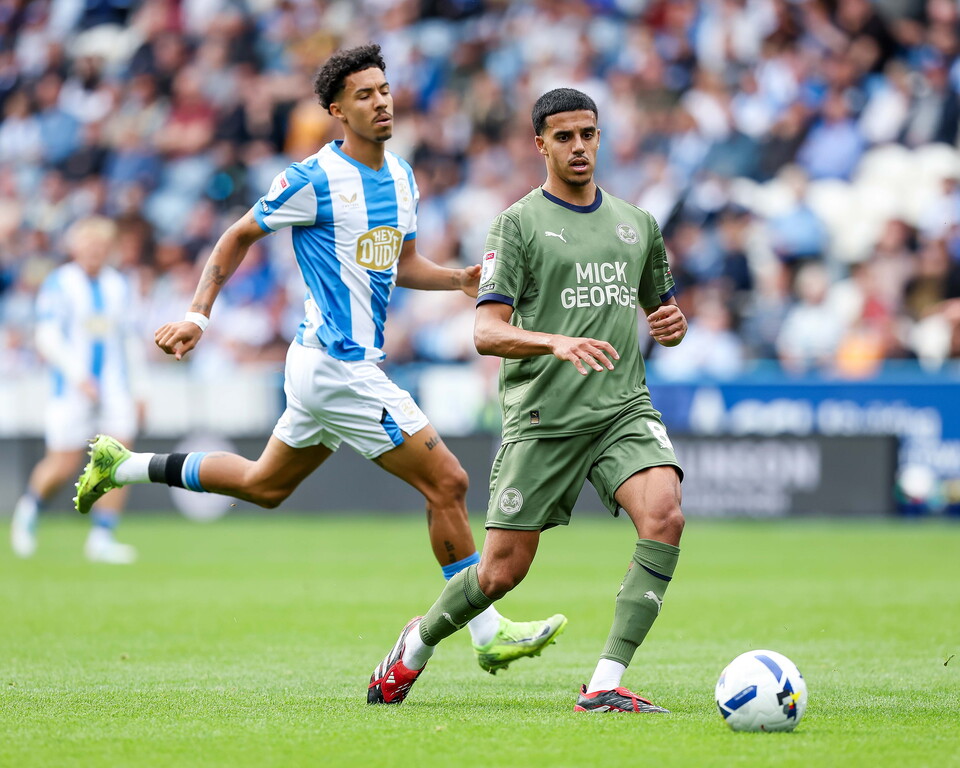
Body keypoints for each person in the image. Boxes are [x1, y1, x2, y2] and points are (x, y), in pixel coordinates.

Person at [73, 44, 566, 672]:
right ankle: (485, 629)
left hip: (322, 367)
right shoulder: (312, 179)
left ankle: (125, 467)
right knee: (449, 481)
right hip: (339, 364)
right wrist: (199, 313)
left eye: (384, 90)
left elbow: (401, 261)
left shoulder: (404, 176)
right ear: (337, 110)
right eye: (364, 95)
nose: (381, 102)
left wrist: (458, 281)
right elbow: (238, 235)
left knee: (264, 484)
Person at [368, 88, 688, 712]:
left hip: (622, 410)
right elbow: (486, 331)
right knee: (499, 574)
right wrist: (553, 342)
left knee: (666, 515)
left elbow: (661, 309)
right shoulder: (517, 224)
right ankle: (417, 643)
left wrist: (673, 324)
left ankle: (603, 685)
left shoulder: (638, 224)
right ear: (540, 144)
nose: (578, 147)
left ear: (600, 137)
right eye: (563, 137)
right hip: (543, 420)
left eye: (588, 134)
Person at [11, 216, 144, 564]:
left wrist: (141, 389)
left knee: (119, 460)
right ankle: (29, 511)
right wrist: (78, 375)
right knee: (63, 464)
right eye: (88, 246)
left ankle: (103, 536)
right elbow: (47, 336)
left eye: (100, 247)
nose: (94, 253)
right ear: (75, 248)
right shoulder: (60, 283)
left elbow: (130, 339)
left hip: (114, 386)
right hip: (70, 389)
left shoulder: (119, 284)